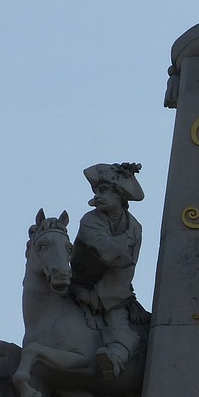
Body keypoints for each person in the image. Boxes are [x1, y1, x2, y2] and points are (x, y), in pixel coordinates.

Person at [71, 162, 145, 380]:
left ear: (119, 195)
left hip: (114, 290)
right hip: (80, 285)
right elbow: (106, 252)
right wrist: (122, 245)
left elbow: (128, 263)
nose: (97, 196)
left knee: (121, 326)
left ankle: (115, 360)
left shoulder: (135, 227)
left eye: (104, 190)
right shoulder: (90, 220)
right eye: (96, 191)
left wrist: (122, 295)